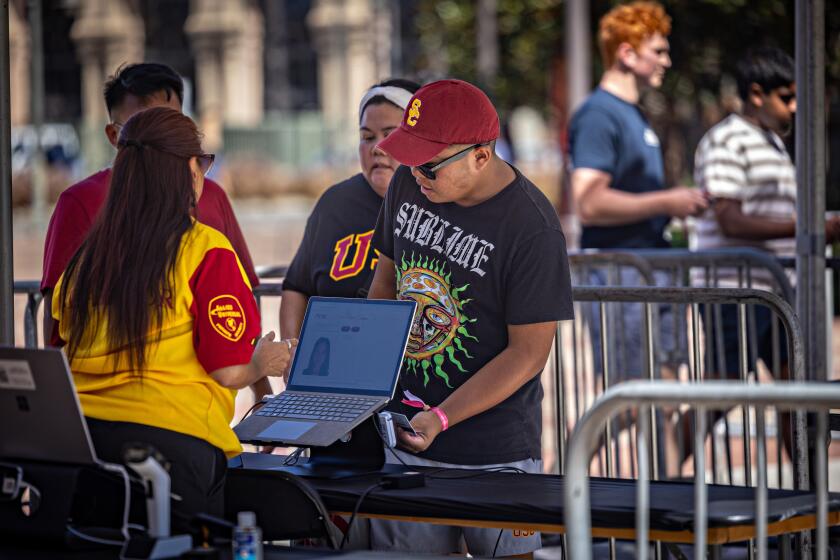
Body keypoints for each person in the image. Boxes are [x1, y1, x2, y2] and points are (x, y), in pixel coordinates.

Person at [51, 107, 296, 532]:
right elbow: (227, 370)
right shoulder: (205, 249)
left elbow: (63, 342)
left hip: (84, 447)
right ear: (189, 168)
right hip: (171, 455)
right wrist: (264, 361)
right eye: (204, 162)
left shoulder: (87, 257)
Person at [366, 79, 574, 557]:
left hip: (494, 453)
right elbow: (384, 282)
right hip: (402, 439)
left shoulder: (532, 228)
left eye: (431, 164)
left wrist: (442, 417)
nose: (417, 173)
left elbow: (528, 354)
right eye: (411, 158)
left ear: (481, 155)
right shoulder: (407, 183)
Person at [41, 62, 258, 353]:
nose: (164, 142)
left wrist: (259, 386)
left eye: (173, 125)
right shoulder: (79, 203)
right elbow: (57, 316)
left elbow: (241, 300)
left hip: (202, 390)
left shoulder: (211, 194)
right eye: (144, 132)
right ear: (114, 135)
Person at [568, 2, 709, 388]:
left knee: (659, 395)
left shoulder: (635, 113)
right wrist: (669, 201)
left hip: (651, 269)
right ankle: (579, 451)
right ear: (627, 54)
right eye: (658, 51)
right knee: (629, 400)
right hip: (622, 274)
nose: (667, 60)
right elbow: (589, 203)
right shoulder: (599, 114)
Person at [692, 47, 840, 380]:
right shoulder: (727, 140)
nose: (794, 107)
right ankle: (680, 435)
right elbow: (729, 221)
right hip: (732, 292)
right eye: (786, 97)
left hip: (774, 292)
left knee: (795, 393)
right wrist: (807, 230)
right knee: (723, 389)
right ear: (756, 94)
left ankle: (800, 436)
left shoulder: (772, 142)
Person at [279, 79, 421, 372]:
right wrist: (294, 359)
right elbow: (296, 286)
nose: (378, 148)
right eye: (367, 137)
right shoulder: (335, 203)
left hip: (417, 389)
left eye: (390, 135)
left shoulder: (440, 203)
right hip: (339, 376)